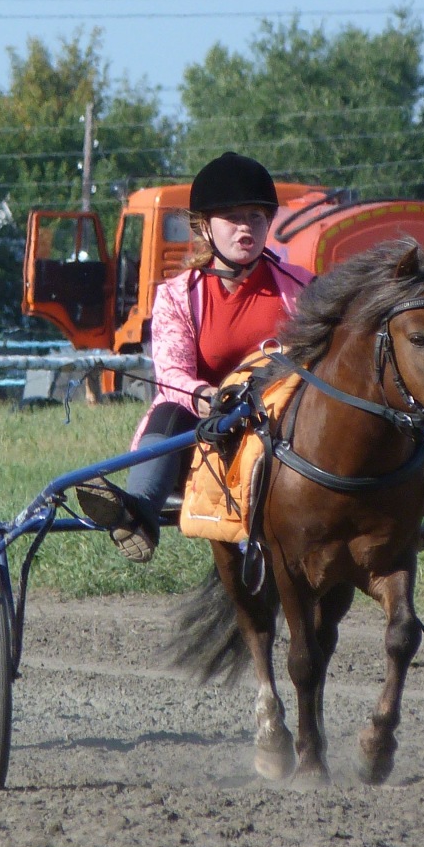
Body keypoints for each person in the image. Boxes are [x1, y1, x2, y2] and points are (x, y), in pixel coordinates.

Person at [75, 151, 313, 562]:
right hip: (208, 425)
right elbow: (171, 373)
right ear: (204, 226)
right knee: (169, 410)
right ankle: (138, 512)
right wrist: (204, 396)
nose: (246, 227)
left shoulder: (305, 288)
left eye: (256, 217)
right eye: (233, 218)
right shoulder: (176, 296)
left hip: (287, 423)